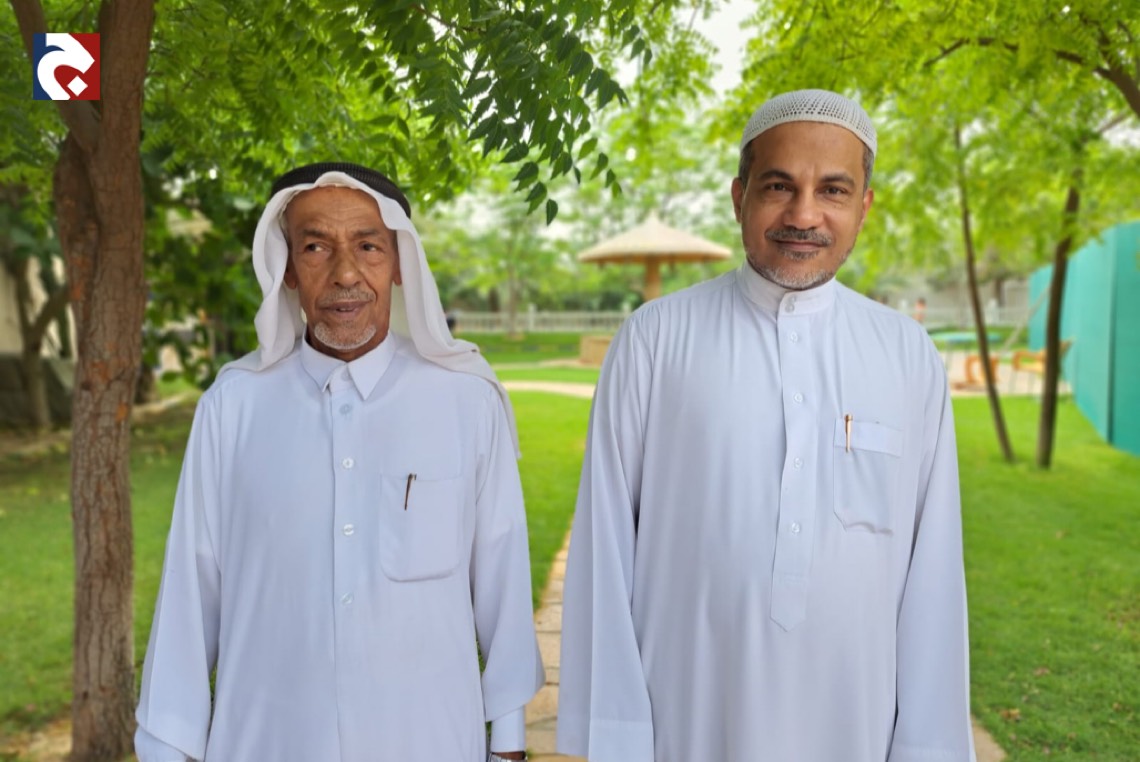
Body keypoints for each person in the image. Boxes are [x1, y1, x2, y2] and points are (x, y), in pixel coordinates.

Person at [557, 90, 975, 761]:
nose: (804, 215)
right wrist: (616, 737)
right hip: (686, 719)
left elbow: (934, 575)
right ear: (739, 197)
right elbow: (604, 551)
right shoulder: (656, 338)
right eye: (779, 186)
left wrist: (926, 746)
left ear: (864, 207)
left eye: (833, 190)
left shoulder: (906, 354)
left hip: (854, 724)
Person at [136, 162, 543, 762]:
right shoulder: (233, 406)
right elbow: (190, 593)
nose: (345, 273)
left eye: (368, 246)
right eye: (316, 247)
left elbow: (503, 581)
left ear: (399, 262)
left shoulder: (467, 401)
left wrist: (507, 746)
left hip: (428, 741)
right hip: (268, 743)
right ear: (288, 268)